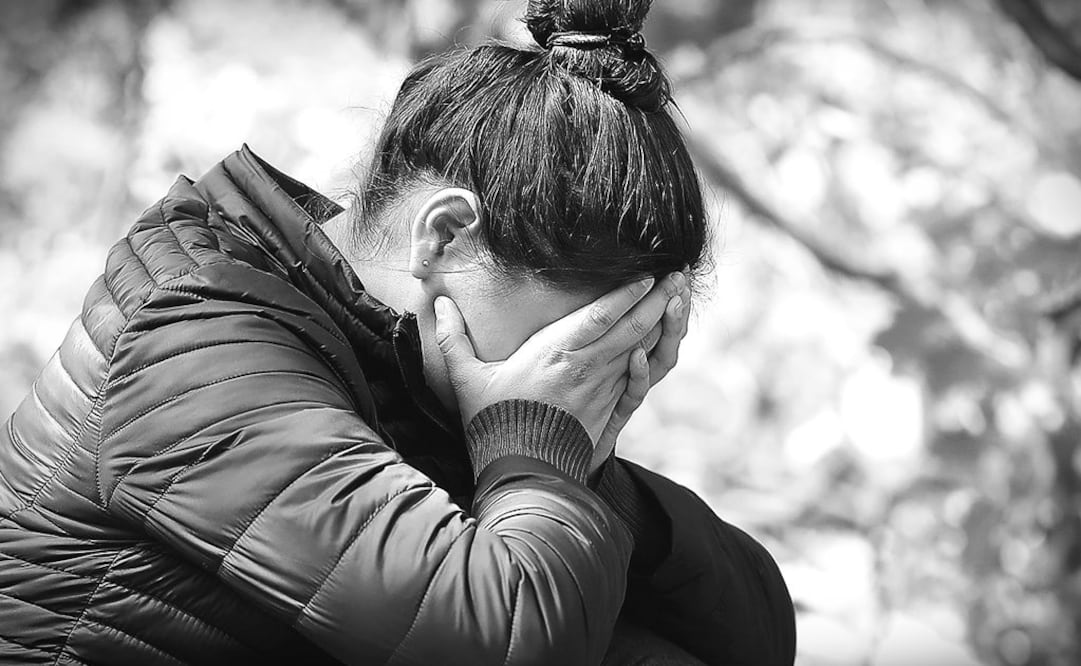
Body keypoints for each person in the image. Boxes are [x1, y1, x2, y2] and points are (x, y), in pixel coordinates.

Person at [0, 0, 796, 664]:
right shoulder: (194, 342)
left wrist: (579, 464)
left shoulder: (405, 373)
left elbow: (757, 639)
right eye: (567, 345)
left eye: (611, 353)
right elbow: (504, 644)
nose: (571, 376)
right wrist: (537, 449)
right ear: (442, 237)